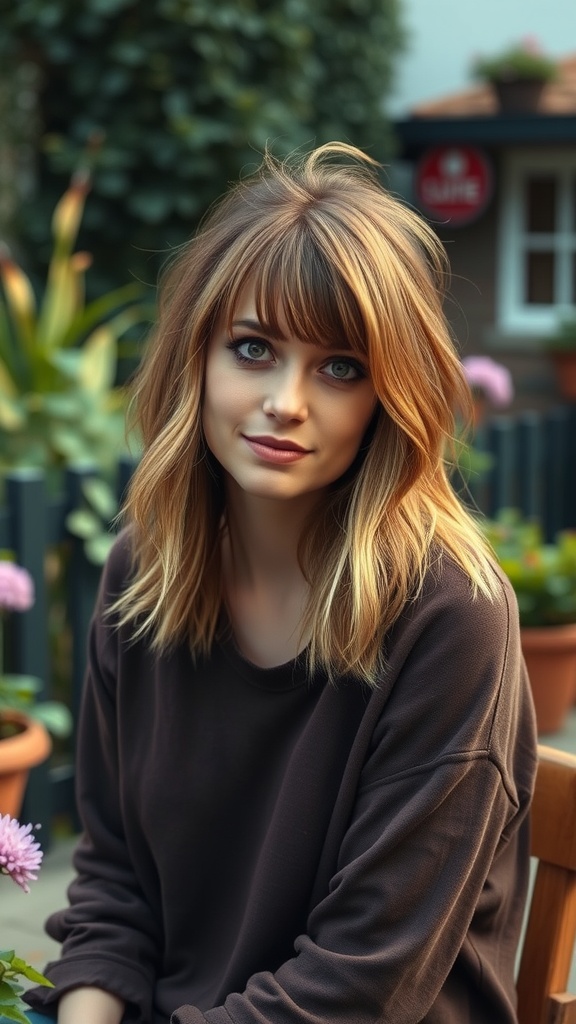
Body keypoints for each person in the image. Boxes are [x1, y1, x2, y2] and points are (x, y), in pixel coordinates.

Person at [24, 142, 536, 1024]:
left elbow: (362, 985)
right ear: (198, 358)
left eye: (340, 367)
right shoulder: (142, 576)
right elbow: (112, 890)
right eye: (253, 348)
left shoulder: (450, 618)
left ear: (390, 394)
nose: (287, 401)